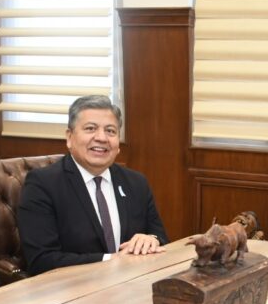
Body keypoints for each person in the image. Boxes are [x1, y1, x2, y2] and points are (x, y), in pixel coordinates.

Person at [18, 95, 168, 276]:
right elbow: (41, 260)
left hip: (132, 287)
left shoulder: (136, 183)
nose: (102, 138)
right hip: (72, 292)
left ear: (118, 143)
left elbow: (160, 237)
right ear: (69, 137)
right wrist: (112, 260)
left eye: (111, 131)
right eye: (90, 129)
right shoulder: (43, 185)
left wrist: (151, 240)